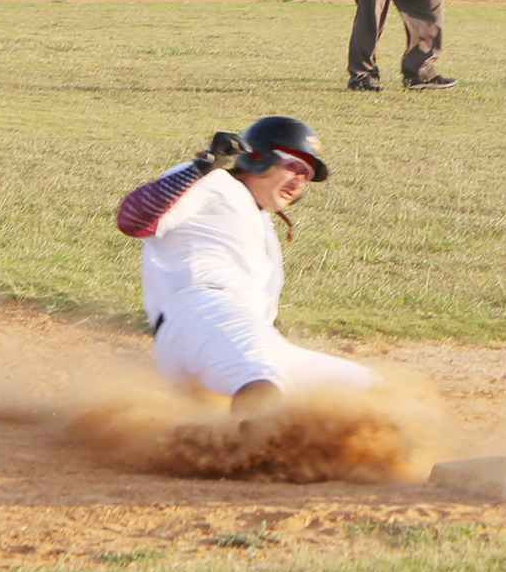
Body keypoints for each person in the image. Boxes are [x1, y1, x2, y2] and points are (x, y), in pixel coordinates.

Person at [116, 117, 378, 411]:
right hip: (200, 311)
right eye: (293, 166)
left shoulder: (260, 221)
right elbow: (133, 220)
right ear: (259, 158)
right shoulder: (214, 181)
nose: (300, 181)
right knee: (262, 377)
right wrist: (201, 168)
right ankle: (254, 454)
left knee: (370, 388)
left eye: (306, 174)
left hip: (241, 332)